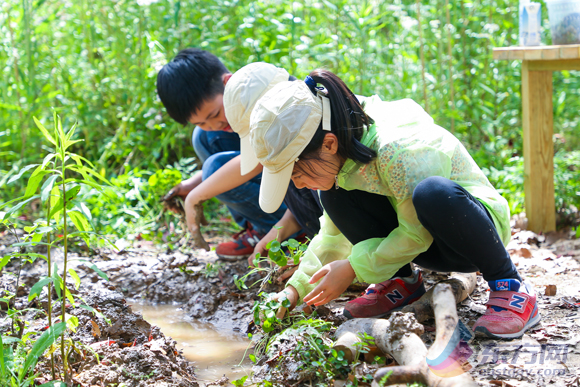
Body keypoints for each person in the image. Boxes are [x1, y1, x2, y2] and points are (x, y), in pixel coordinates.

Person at [247, 70, 541, 339]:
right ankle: (402, 283)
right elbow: (331, 238)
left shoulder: (399, 150)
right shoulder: (343, 160)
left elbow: (417, 233)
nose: (297, 185)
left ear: (329, 144)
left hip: (472, 232)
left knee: (432, 192)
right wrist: (293, 291)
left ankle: (510, 286)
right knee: (334, 195)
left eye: (297, 172)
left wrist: (352, 268)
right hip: (425, 242)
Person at [156, 48, 288, 260]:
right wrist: (194, 184)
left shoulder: (265, 94)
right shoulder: (231, 110)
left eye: (215, 114)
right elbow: (247, 157)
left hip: (309, 193)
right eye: (200, 121)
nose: (214, 124)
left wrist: (196, 197)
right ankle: (262, 226)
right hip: (279, 173)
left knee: (214, 169)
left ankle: (290, 231)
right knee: (203, 137)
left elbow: (257, 161)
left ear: (229, 82)